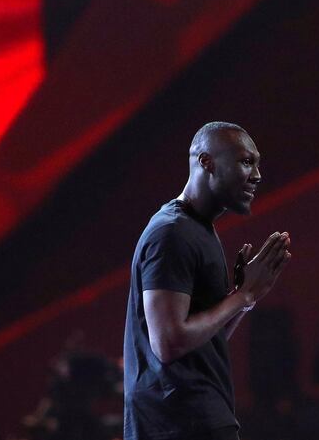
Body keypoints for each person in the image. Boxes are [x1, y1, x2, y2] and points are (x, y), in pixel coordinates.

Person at [123, 122, 292, 440]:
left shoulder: (199, 230)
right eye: (245, 162)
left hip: (195, 418)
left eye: (257, 163)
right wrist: (241, 297)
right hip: (177, 423)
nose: (257, 175)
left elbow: (200, 340)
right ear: (206, 162)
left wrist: (244, 298)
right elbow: (169, 342)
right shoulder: (171, 233)